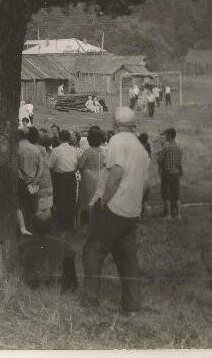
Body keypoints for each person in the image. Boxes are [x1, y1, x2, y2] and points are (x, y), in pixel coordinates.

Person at [82, 107, 149, 312]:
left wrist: (104, 200)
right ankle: (132, 305)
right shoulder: (141, 148)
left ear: (117, 123)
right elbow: (146, 185)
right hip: (132, 211)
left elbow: (116, 173)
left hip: (114, 208)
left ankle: (90, 302)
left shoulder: (117, 141)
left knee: (92, 251)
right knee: (127, 257)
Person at [18, 209, 78, 292]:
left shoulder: (22, 245)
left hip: (31, 288)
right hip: (56, 287)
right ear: (51, 226)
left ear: (33, 226)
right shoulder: (64, 245)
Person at [49, 130, 78, 232]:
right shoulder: (73, 150)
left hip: (60, 177)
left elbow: (50, 166)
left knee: (60, 201)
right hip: (71, 176)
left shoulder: (56, 150)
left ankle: (62, 224)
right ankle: (69, 224)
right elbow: (75, 165)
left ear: (59, 138)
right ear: (69, 139)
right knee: (70, 200)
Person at [77, 127, 106, 226]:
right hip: (100, 175)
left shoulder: (88, 151)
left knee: (87, 198)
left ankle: (86, 220)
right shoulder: (103, 151)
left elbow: (80, 165)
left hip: (88, 177)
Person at [17, 128, 41, 236]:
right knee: (34, 207)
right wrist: (35, 181)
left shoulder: (17, 148)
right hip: (33, 181)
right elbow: (41, 168)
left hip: (21, 181)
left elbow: (16, 167)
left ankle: (23, 229)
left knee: (21, 206)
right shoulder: (36, 149)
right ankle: (35, 230)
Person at [158, 127, 184, 219]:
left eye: (166, 135)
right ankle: (178, 214)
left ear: (169, 135)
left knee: (166, 194)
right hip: (176, 173)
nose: (165, 136)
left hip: (167, 173)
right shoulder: (179, 147)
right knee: (176, 195)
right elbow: (179, 161)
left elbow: (159, 159)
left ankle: (168, 214)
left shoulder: (165, 147)